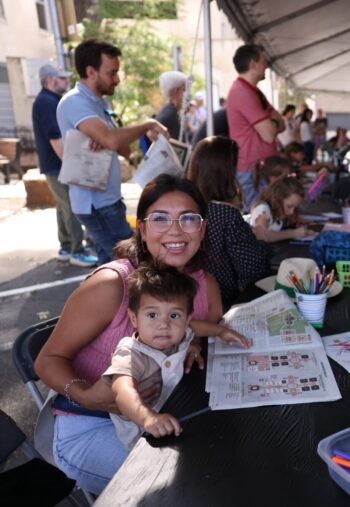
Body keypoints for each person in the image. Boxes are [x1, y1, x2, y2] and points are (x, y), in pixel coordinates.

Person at [34, 174, 247, 494]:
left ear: (202, 230)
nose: (176, 230)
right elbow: (48, 360)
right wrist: (85, 394)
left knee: (229, 458)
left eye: (188, 218)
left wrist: (194, 345)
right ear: (143, 230)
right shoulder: (112, 284)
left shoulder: (207, 286)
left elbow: (197, 333)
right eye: (161, 218)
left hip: (168, 410)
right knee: (192, 481)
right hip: (89, 424)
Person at [57, 38, 169, 265]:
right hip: (96, 203)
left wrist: (110, 138)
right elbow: (110, 140)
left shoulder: (100, 104)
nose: (117, 79)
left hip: (107, 199)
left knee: (112, 266)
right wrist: (146, 125)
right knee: (134, 264)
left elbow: (121, 146)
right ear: (91, 72)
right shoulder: (75, 102)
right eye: (112, 72)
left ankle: (111, 300)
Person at [102, 263, 198, 449]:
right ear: (134, 319)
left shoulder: (178, 333)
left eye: (174, 315)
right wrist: (148, 417)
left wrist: (220, 331)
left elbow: (196, 328)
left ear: (187, 319)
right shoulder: (130, 353)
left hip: (175, 412)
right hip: (143, 434)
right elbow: (123, 392)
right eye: (152, 315)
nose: (164, 324)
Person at [186, 136, 271, 308]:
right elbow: (253, 268)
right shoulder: (225, 213)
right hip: (221, 302)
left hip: (187, 297)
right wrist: (260, 239)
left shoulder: (185, 204)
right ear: (225, 171)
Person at [32, 63, 97, 267]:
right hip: (58, 165)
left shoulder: (47, 100)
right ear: (51, 80)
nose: (66, 82)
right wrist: (71, 166)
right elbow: (54, 138)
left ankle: (67, 246)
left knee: (63, 206)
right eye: (62, 78)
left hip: (53, 165)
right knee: (71, 206)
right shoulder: (47, 102)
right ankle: (76, 251)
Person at [227, 44, 285, 210]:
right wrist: (273, 123)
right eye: (263, 61)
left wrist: (273, 124)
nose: (267, 65)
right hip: (251, 172)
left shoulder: (254, 92)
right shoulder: (242, 92)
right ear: (253, 64)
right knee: (257, 219)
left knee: (265, 217)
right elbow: (269, 134)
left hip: (259, 171)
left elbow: (282, 124)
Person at [248, 176, 308, 242]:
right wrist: (294, 233)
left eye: (295, 207)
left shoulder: (279, 212)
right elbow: (263, 236)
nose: (292, 211)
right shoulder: (263, 210)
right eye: (289, 206)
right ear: (277, 200)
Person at [155, 70, 186, 140]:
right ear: (176, 91)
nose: (186, 94)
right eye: (184, 89)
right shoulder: (169, 113)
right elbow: (151, 132)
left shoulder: (171, 111)